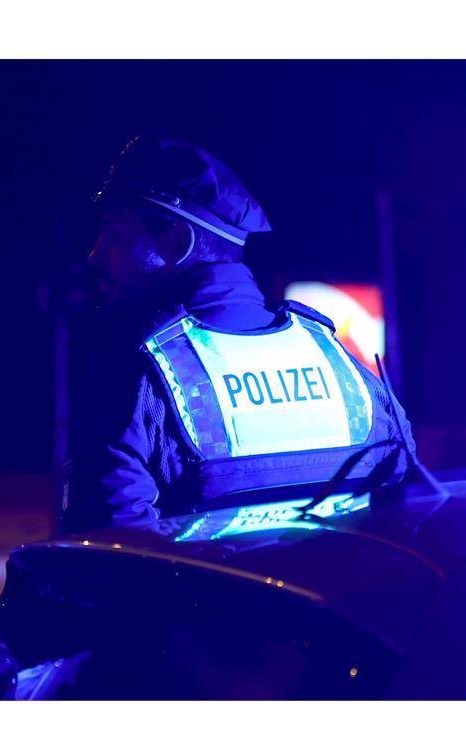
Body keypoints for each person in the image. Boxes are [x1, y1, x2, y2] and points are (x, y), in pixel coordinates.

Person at [61, 135, 417, 534]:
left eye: (115, 234)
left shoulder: (137, 374)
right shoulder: (342, 364)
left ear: (178, 243)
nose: (94, 255)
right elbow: (405, 514)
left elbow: (108, 560)